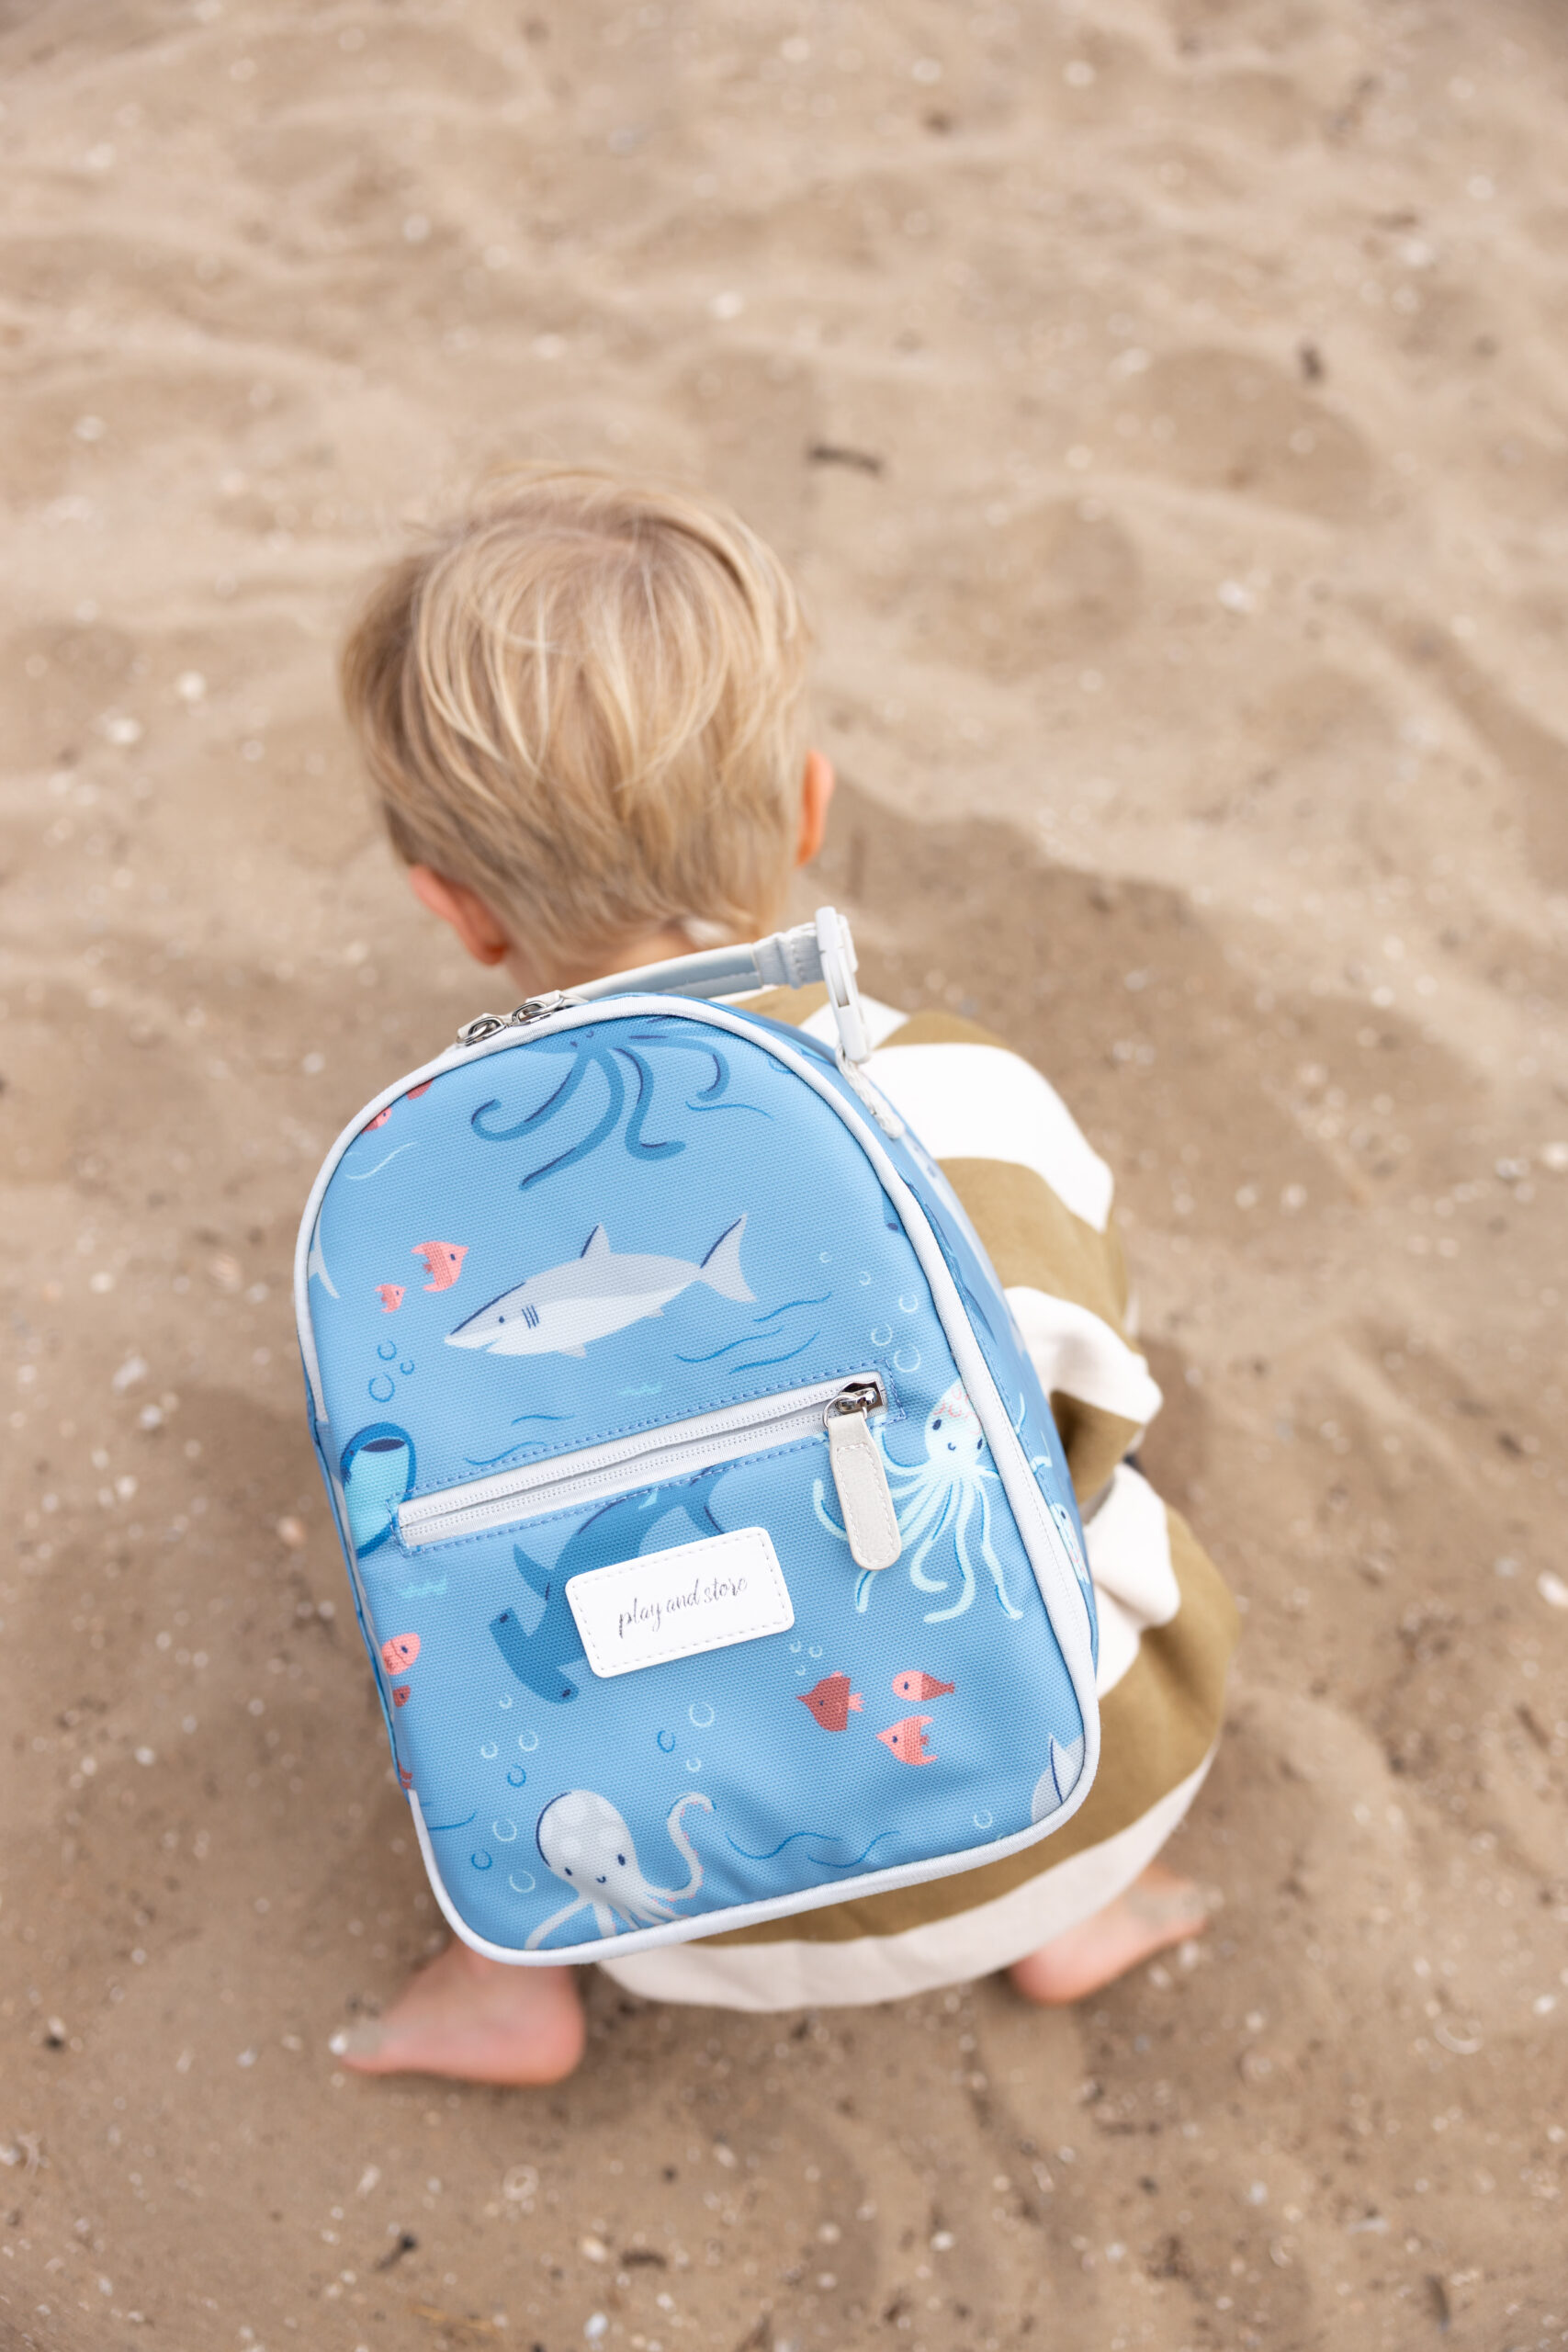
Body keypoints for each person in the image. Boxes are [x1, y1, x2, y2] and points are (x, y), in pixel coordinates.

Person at [325, 468, 1238, 2085]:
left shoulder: (404, 1234)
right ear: (811, 809)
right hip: (1057, 1791)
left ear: (453, 911)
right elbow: (1092, 1412)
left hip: (660, 1911)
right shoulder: (972, 1100)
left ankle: (511, 1988)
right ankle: (1083, 1919)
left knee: (464, 1655)